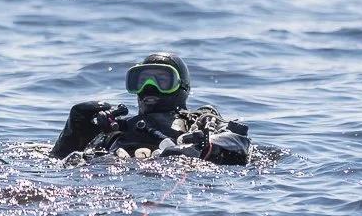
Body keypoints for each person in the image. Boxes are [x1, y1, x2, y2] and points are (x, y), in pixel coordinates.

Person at [49, 52, 251, 165]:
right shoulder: (117, 128)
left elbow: (239, 141)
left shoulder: (198, 120)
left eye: (162, 80)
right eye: (142, 81)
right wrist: (74, 133)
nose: (150, 87)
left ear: (182, 86)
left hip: (176, 177)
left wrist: (198, 147)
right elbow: (59, 162)